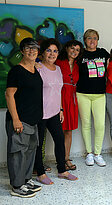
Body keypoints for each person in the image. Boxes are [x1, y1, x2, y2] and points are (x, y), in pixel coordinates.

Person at [34, 38, 77, 185]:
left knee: (59, 140)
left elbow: (58, 91)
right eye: (49, 50)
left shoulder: (58, 69)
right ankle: (40, 173)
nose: (52, 54)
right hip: (40, 113)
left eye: (55, 51)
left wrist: (60, 109)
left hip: (54, 112)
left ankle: (62, 170)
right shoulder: (37, 68)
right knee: (39, 144)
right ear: (43, 52)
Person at [5, 37, 43, 197]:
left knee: (29, 151)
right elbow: (9, 95)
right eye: (28, 48)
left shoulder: (35, 70)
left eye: (34, 48)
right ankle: (17, 186)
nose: (32, 51)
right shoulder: (16, 71)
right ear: (22, 51)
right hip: (20, 120)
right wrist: (15, 119)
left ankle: (26, 179)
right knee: (18, 153)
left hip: (33, 120)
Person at [77, 29, 110, 166]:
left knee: (100, 125)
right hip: (82, 93)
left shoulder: (103, 53)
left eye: (95, 38)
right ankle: (89, 154)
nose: (92, 40)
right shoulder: (81, 54)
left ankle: (98, 154)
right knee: (86, 124)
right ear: (85, 40)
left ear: (98, 40)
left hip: (99, 94)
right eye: (89, 38)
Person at [56, 40, 83, 170]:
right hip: (60, 98)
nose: (74, 52)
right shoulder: (58, 62)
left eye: (77, 50)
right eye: (72, 48)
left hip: (72, 99)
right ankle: (60, 160)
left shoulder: (78, 65)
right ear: (66, 48)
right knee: (59, 131)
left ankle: (66, 158)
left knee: (69, 131)